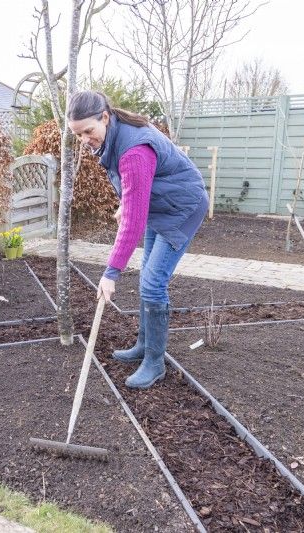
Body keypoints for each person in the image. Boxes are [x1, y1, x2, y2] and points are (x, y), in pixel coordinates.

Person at [67, 90, 209, 390]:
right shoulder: (115, 133)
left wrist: (110, 273)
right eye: (77, 135)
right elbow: (138, 187)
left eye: (88, 131)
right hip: (162, 204)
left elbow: (132, 222)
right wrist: (126, 203)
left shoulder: (133, 149)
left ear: (104, 117)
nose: (84, 139)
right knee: (147, 278)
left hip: (182, 208)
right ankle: (144, 346)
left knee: (153, 281)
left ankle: (155, 363)